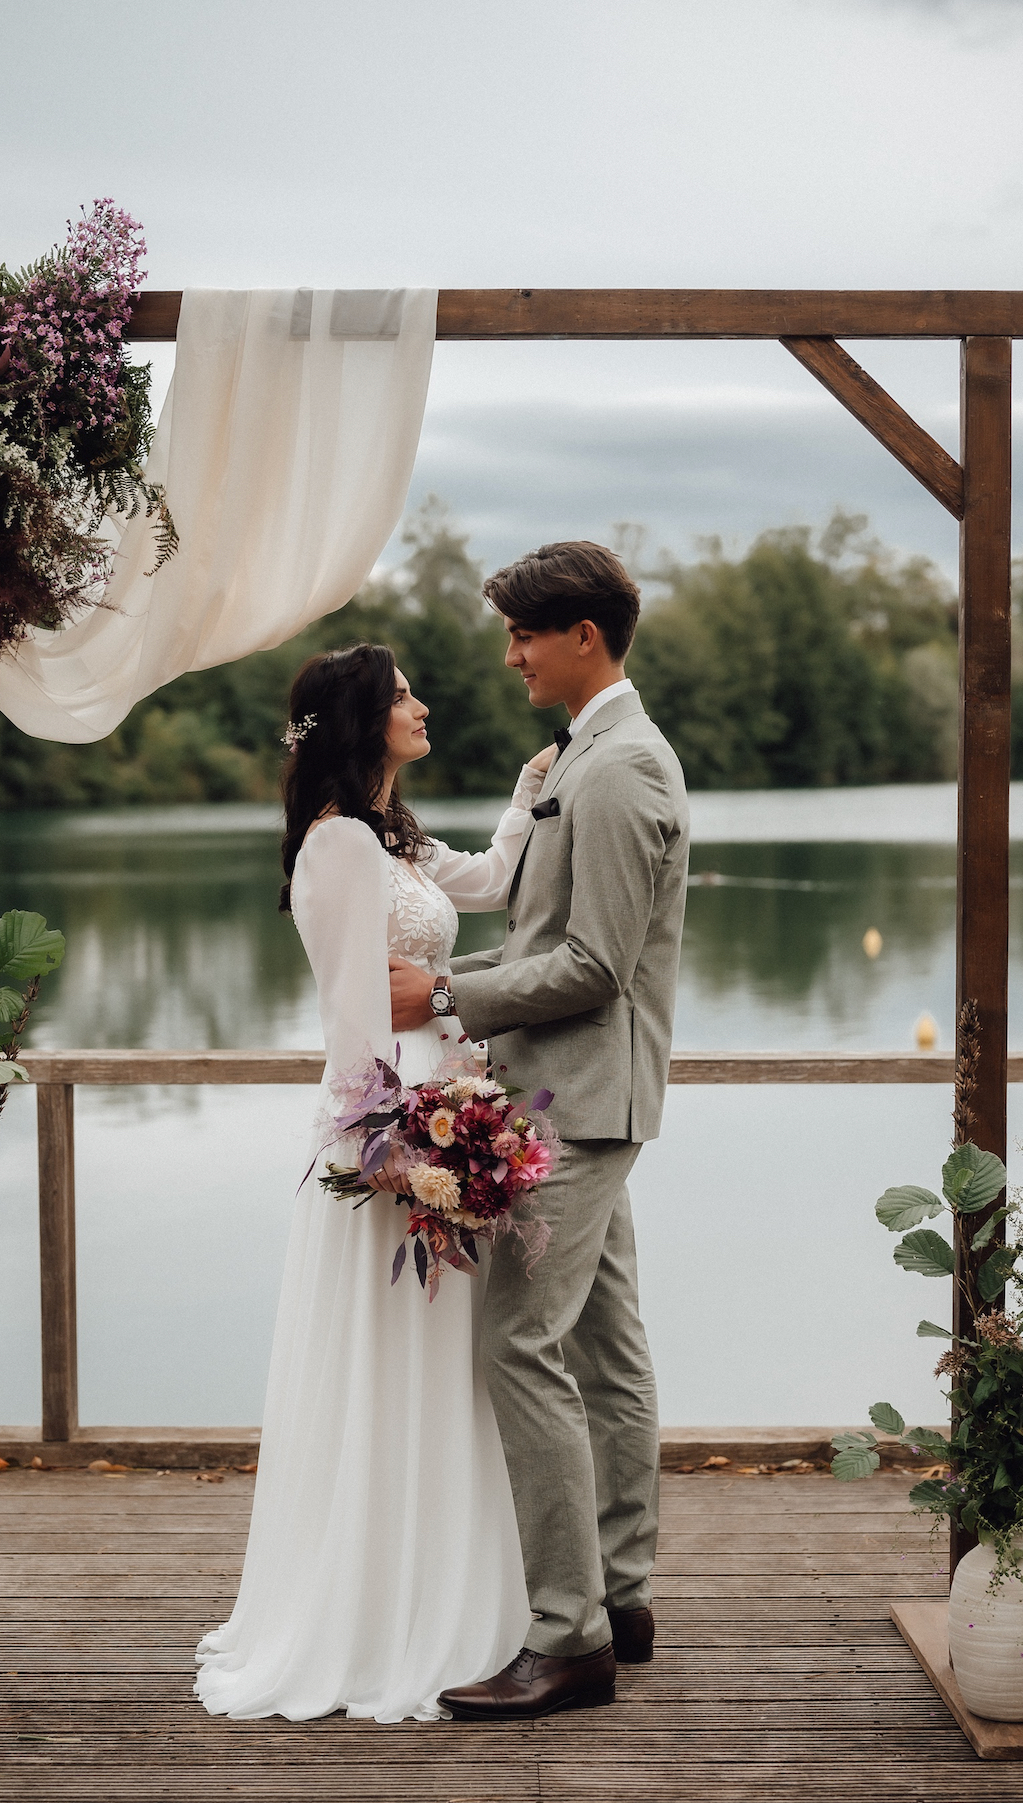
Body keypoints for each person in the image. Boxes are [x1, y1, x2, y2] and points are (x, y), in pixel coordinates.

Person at [195, 642, 553, 1724]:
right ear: (361, 716)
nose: (422, 701)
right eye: (403, 693)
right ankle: (383, 1617)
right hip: (393, 1143)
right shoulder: (341, 843)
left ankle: (441, 1593)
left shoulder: (387, 838)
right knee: (393, 1370)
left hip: (435, 1120)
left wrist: (531, 794)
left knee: (440, 1373)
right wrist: (404, 1148)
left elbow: (488, 884)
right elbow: (358, 1019)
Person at [389, 542, 689, 1719]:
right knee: (608, 1348)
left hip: (580, 1099)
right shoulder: (587, 753)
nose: (508, 655)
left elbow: (593, 963)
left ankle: (566, 1639)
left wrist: (448, 993)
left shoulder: (619, 771)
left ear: (582, 635)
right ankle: (621, 1593)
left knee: (517, 1344)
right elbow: (546, 917)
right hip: (576, 1093)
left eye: (521, 633)